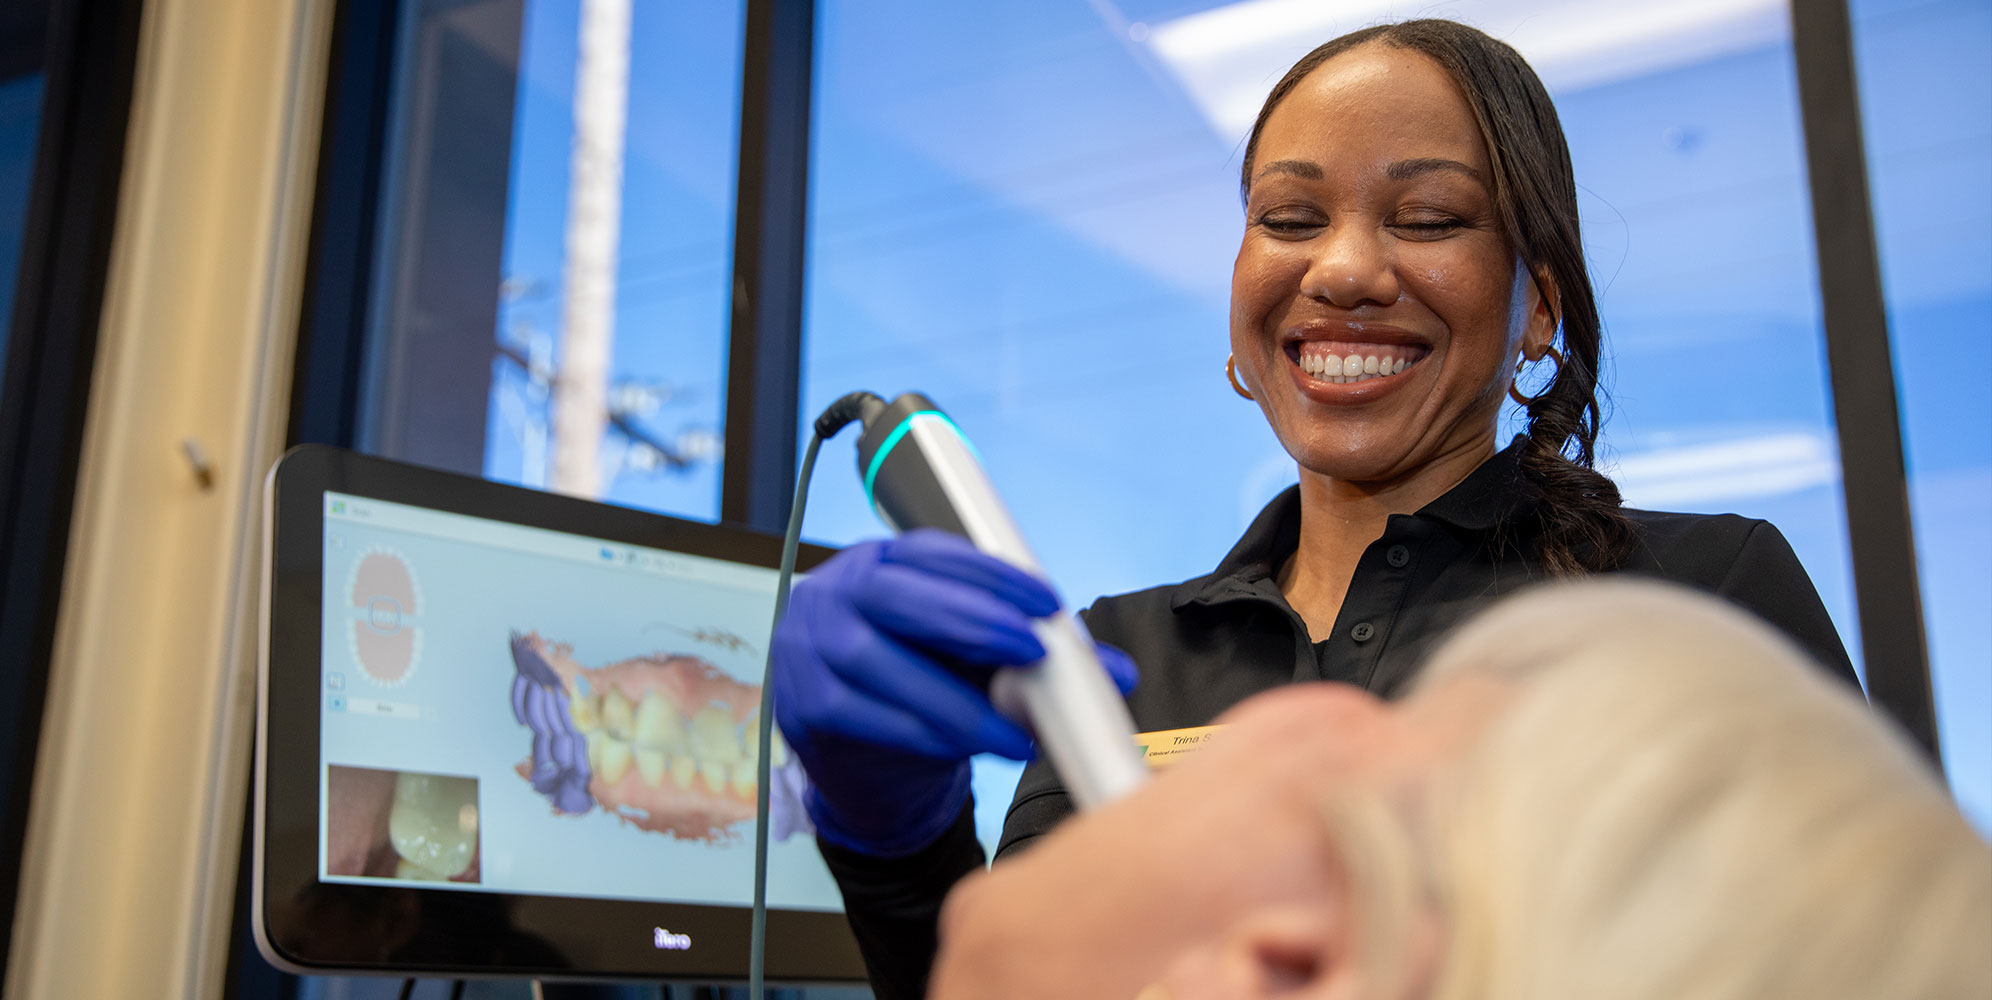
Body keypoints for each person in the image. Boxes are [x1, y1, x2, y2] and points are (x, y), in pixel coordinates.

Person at [769, 19, 1864, 997]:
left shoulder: (1698, 601)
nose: (1341, 269)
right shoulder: (1115, 656)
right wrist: (890, 831)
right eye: (1288, 217)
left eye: (1429, 217)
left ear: (1539, 306)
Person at [925, 581, 1990, 1000]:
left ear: (1281, 963)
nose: (1324, 705)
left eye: (1358, 783)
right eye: (1288, 216)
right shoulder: (1133, 633)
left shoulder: (1710, 577)